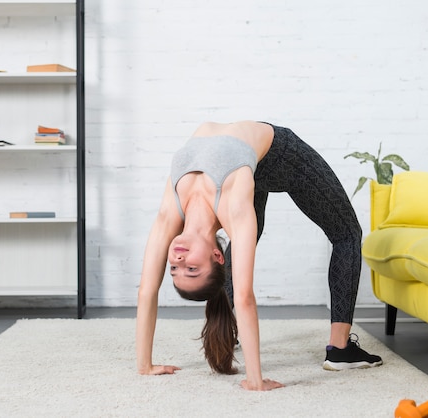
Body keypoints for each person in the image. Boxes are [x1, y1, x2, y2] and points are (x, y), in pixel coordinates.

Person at [135, 121, 382, 391]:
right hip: (279, 155)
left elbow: (147, 289)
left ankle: (230, 331)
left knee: (254, 231)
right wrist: (255, 380)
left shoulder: (170, 213)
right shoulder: (233, 207)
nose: (179, 263)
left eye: (174, 270)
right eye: (191, 270)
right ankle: (340, 349)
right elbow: (244, 296)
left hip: (251, 161)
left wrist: (145, 365)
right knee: (347, 233)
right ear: (218, 256)